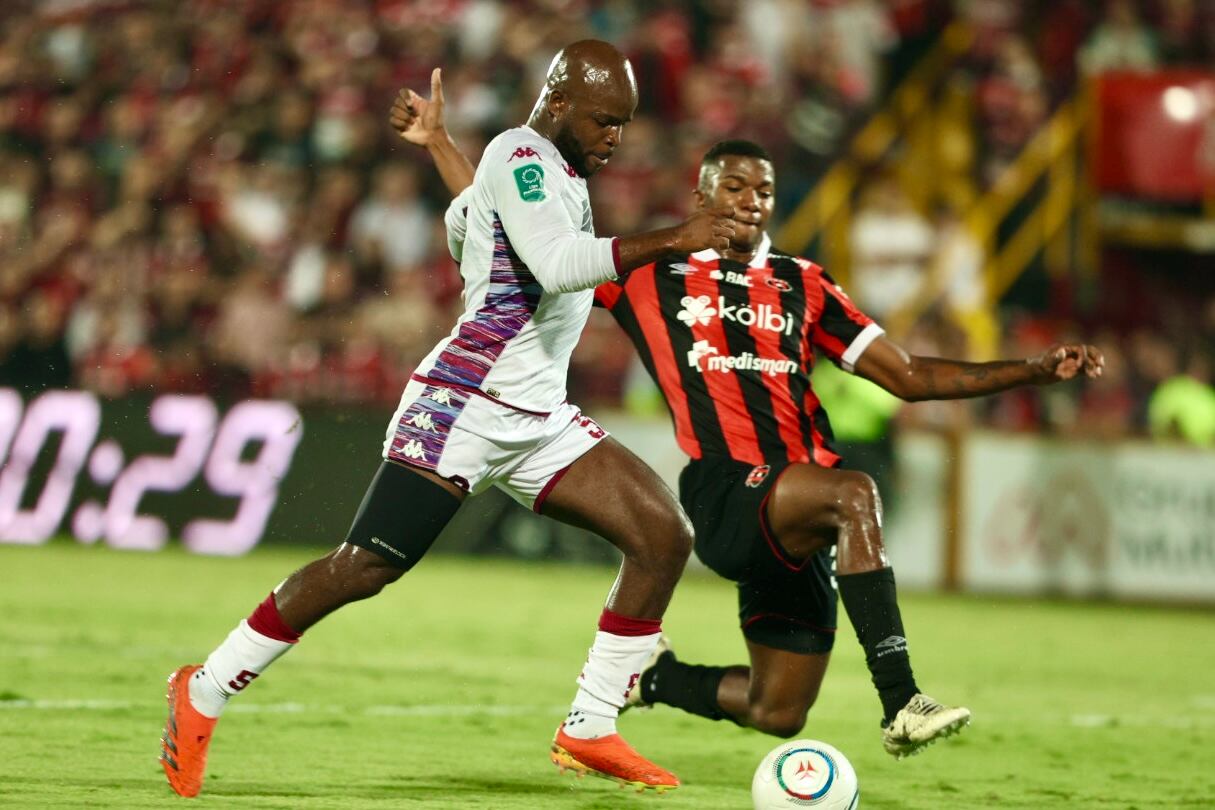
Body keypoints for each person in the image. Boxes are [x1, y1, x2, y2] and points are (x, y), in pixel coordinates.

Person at [396, 75, 1105, 758]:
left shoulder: (805, 283)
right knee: (856, 492)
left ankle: (655, 678)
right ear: (700, 195)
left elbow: (911, 377)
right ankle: (902, 701)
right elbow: (519, 227)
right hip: (729, 493)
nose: (749, 201)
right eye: (732, 187)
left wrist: (1031, 370)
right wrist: (440, 144)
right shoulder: (653, 270)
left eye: (762, 190)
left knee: (777, 712)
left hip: (800, 515)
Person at [159, 40, 739, 798]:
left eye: (624, 125)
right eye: (604, 121)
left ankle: (591, 724)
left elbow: (478, 212)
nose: (614, 139)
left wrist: (438, 144)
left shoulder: (537, 168)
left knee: (662, 536)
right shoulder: (522, 151)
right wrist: (676, 238)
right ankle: (203, 687)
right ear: (558, 103)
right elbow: (558, 264)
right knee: (364, 566)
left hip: (535, 414)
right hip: (464, 403)